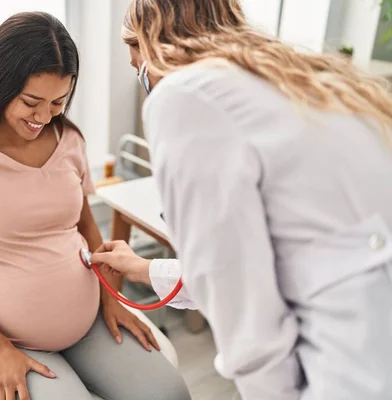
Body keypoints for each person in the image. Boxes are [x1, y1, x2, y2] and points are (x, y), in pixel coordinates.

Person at [91, 0, 392, 399]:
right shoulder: (309, 79)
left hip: (348, 371)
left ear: (152, 44)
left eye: (137, 66)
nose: (144, 81)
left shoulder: (185, 95)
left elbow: (250, 324)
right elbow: (263, 260)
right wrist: (146, 269)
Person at [0, 11, 190, 400]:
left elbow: (87, 229)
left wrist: (111, 300)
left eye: (58, 102)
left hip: (88, 324)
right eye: (32, 102)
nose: (43, 117)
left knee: (169, 393)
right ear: (0, 83)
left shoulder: (69, 140)